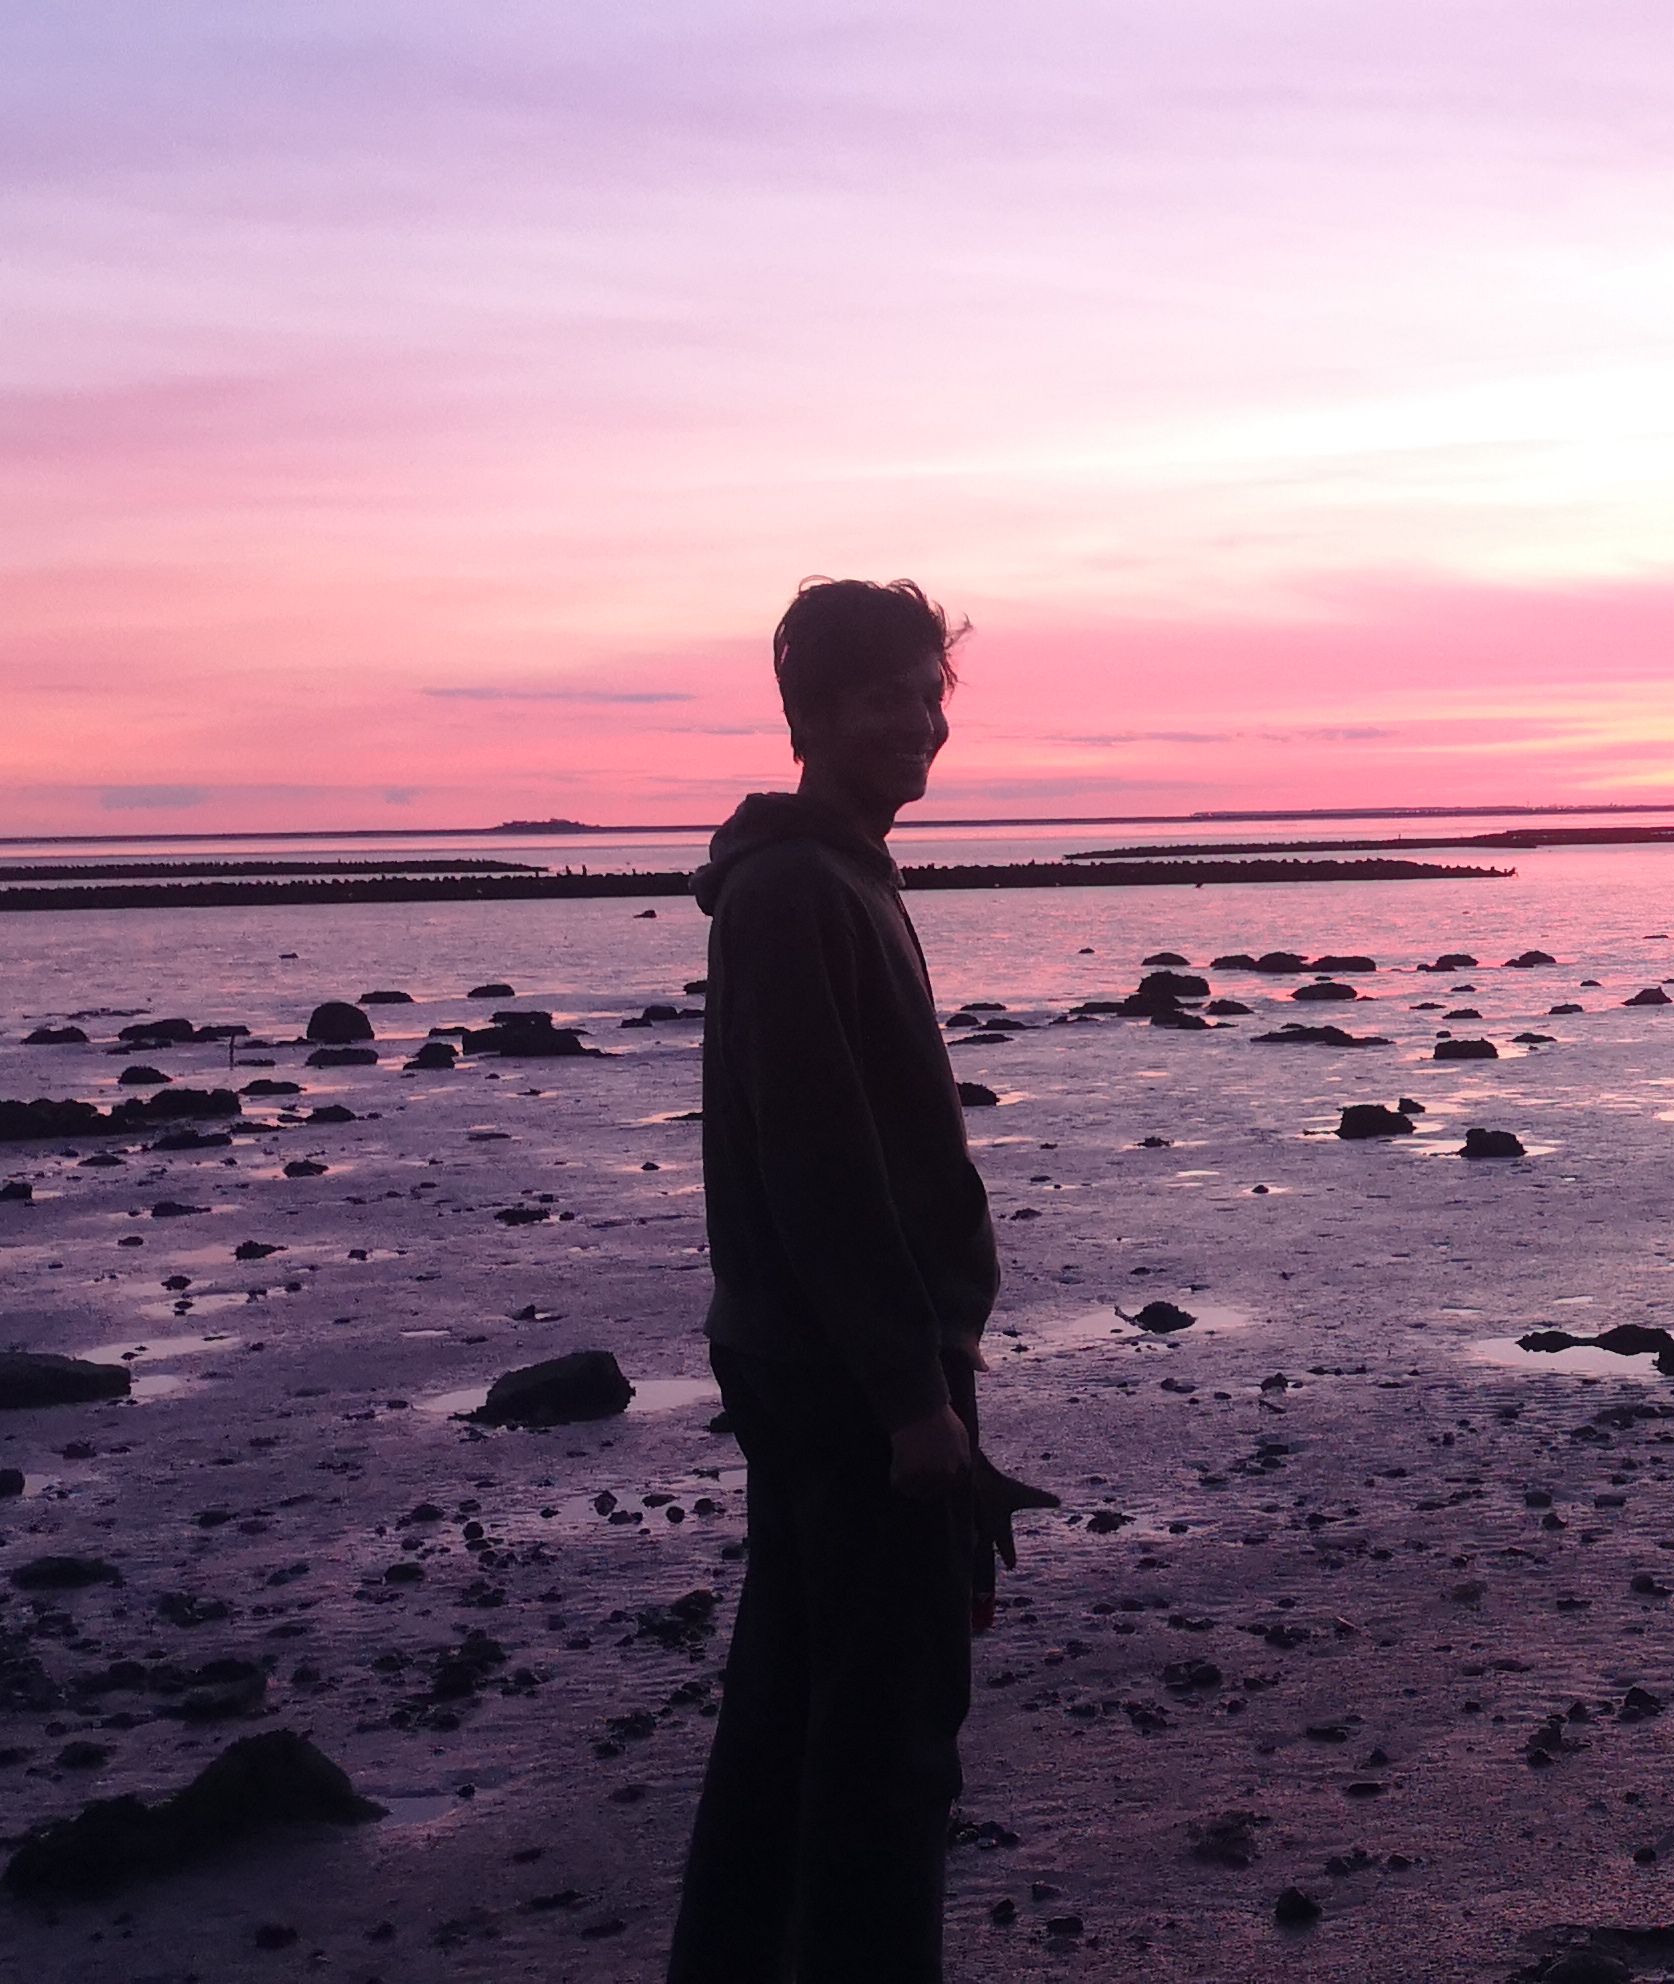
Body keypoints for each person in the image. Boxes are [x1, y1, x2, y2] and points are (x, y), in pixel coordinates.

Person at [671, 578, 1032, 1983]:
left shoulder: (839, 876)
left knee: (789, 1711)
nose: (918, 725)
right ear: (810, 715)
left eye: (929, 697)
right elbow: (817, 1160)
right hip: (847, 1379)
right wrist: (911, 1400)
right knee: (888, 1739)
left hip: (831, 1360)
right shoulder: (791, 893)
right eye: (884, 697)